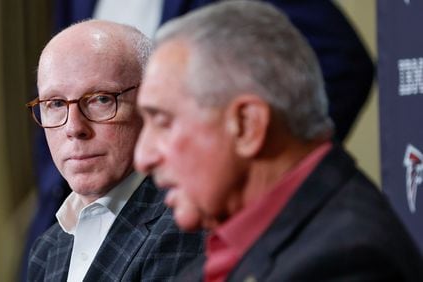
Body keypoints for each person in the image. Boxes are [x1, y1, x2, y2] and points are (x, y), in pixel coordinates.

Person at [134, 1, 423, 281]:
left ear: (248, 125)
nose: (143, 157)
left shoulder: (346, 260)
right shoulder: (237, 236)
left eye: (163, 122)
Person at [25, 20, 204, 282]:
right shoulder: (47, 249)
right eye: (55, 103)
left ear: (152, 103)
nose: (74, 127)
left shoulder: (184, 226)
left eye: (101, 99)